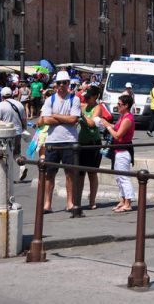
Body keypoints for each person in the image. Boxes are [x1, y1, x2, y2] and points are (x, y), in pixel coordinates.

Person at [39, 70, 82, 212]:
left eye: (64, 82)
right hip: (53, 141)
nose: (61, 85)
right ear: (55, 84)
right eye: (59, 83)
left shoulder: (74, 99)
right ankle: (47, 203)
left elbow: (74, 119)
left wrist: (55, 116)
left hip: (69, 140)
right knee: (49, 174)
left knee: (69, 173)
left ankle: (70, 202)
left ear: (68, 84)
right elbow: (45, 120)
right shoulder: (49, 99)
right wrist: (65, 118)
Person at [77, 86, 106, 209]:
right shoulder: (83, 106)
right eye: (85, 97)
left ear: (95, 97)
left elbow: (92, 123)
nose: (86, 99)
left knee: (92, 173)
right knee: (80, 173)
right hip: (81, 142)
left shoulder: (98, 108)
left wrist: (82, 116)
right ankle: (77, 200)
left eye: (88, 97)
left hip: (93, 143)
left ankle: (92, 200)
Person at [106, 94, 136, 213]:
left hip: (124, 150)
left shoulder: (128, 118)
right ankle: (123, 200)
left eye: (119, 104)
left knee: (124, 177)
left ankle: (128, 202)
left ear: (126, 105)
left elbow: (118, 135)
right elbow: (116, 127)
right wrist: (106, 124)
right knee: (119, 177)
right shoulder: (122, 117)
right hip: (118, 150)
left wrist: (108, 128)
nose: (117, 106)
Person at [0, 87, 28, 181]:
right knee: (16, 153)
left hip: (5, 133)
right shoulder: (19, 104)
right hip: (17, 132)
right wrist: (24, 129)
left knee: (4, 154)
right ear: (12, 95)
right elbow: (24, 119)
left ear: (2, 96)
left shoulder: (0, 105)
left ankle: (7, 176)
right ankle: (22, 167)